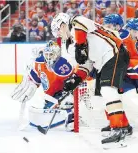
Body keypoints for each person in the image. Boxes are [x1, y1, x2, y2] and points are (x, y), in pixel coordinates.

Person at [51, 13, 130, 147]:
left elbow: (80, 25)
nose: (59, 35)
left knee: (108, 90)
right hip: (102, 62)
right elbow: (85, 64)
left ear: (63, 25)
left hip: (114, 52)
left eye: (58, 30)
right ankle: (124, 125)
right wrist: (75, 79)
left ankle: (118, 129)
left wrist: (81, 46)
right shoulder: (70, 46)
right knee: (102, 95)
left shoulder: (76, 21)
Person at [11, 40, 74, 131]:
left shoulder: (62, 65)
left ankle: (72, 115)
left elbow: (73, 83)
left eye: (51, 55)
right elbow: (36, 78)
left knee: (65, 103)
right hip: (50, 95)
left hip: (63, 93)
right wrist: (32, 85)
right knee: (47, 109)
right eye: (47, 54)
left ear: (57, 54)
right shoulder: (39, 62)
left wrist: (66, 97)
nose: (48, 57)